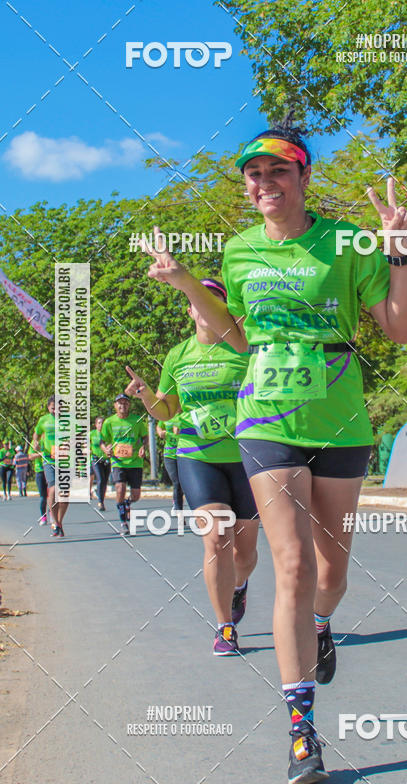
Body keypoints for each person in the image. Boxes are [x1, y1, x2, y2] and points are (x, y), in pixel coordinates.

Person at [141, 124, 407, 783]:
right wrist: (186, 284)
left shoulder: (349, 242)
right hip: (265, 414)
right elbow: (236, 339)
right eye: (253, 175)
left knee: (330, 573)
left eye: (277, 173)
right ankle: (301, 731)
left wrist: (402, 255)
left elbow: (399, 330)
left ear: (303, 178)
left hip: (340, 419)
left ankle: (322, 625)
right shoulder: (237, 251)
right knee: (290, 565)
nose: (263, 185)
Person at [125, 278, 259, 656]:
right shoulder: (178, 355)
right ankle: (225, 627)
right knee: (217, 537)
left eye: (214, 300)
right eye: (196, 301)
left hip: (248, 457)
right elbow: (167, 409)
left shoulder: (246, 350)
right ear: (189, 310)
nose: (204, 307)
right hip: (197, 456)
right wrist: (147, 395)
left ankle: (238, 586)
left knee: (245, 556)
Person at [101, 394, 148, 534]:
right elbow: (102, 441)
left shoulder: (137, 420)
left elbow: (145, 437)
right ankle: (123, 521)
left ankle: (126, 504)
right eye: (120, 403)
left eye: (125, 403)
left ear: (129, 405)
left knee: (136, 495)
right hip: (118, 462)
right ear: (115, 405)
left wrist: (143, 447)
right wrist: (106, 449)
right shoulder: (109, 422)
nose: (123, 406)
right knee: (120, 489)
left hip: (135, 462)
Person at [32, 395, 69, 537]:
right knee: (53, 489)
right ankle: (54, 520)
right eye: (53, 408)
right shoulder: (43, 420)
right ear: (49, 408)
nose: (56, 411)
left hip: (66, 460)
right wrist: (35, 442)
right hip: (49, 459)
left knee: (65, 495)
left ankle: (59, 521)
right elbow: (36, 434)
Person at [157, 417, 184, 514]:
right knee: (177, 482)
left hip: (184, 454)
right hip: (169, 455)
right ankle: (178, 509)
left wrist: (183, 431)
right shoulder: (167, 415)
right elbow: (159, 426)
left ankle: (176, 501)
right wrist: (160, 432)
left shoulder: (185, 414)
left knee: (184, 483)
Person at [90, 417, 110, 510]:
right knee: (100, 479)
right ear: (95, 424)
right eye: (99, 423)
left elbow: (113, 444)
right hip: (95, 459)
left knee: (105, 482)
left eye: (102, 423)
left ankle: (101, 497)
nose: (101, 425)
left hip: (106, 460)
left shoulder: (108, 434)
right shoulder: (92, 434)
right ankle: (100, 502)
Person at [30, 451, 48, 524]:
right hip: (40, 471)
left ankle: (54, 517)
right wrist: (40, 454)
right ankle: (43, 516)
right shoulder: (35, 442)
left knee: (52, 495)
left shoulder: (51, 439)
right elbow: (30, 457)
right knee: (43, 496)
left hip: (51, 470)